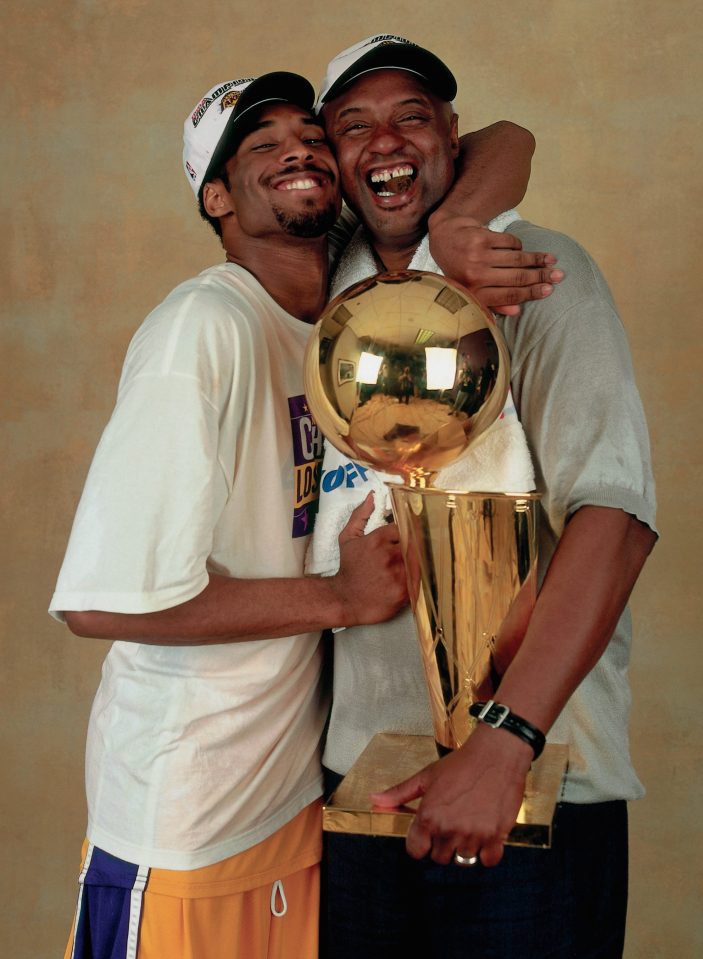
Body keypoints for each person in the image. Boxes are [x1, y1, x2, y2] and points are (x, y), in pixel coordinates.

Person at [50, 59, 550, 959]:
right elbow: (100, 600)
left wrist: (460, 219)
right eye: (262, 147)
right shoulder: (200, 332)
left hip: (294, 808)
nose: (302, 154)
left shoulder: (341, 306)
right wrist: (338, 600)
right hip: (183, 822)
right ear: (216, 200)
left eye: (313, 139)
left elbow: (501, 140)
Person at [309, 36, 657, 959]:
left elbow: (614, 521)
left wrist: (507, 741)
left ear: (451, 138)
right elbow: (509, 136)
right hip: (354, 791)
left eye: (411, 118)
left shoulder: (536, 272)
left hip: (528, 788)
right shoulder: (333, 281)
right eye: (354, 127)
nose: (384, 143)